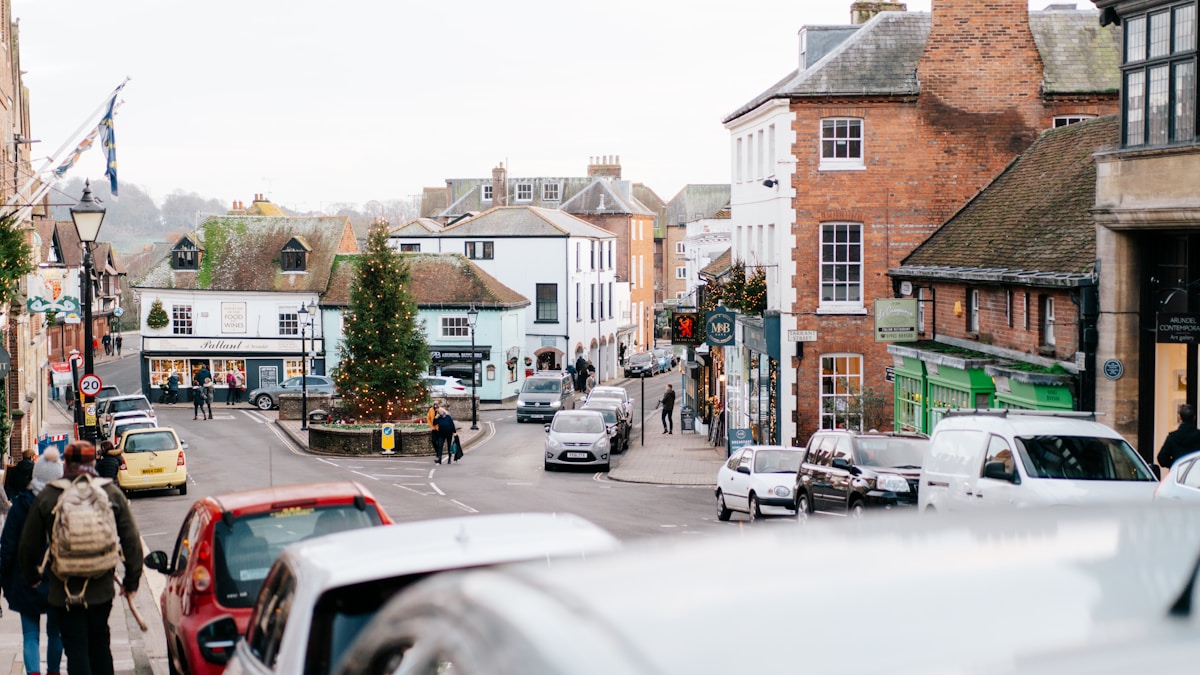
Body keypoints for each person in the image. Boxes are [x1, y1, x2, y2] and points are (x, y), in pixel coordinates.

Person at [20, 440, 143, 675]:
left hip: (63, 590)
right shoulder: (109, 492)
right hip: (101, 587)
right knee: (99, 644)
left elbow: (28, 545)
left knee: (76, 649)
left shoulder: (49, 495)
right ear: (92, 462)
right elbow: (131, 540)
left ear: (66, 463)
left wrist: (32, 576)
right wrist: (131, 581)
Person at [0, 460, 64, 675]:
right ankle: (53, 671)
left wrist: (5, 577)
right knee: (55, 633)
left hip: (26, 577)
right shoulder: (64, 504)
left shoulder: (21, 504)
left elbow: (7, 544)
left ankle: (34, 672)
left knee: (30, 635)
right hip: (58, 579)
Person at [1159, 403, 1200, 470]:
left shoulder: (1172, 437)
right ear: (1194, 417)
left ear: (1180, 417)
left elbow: (1162, 459)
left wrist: (1176, 463)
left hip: (1178, 475)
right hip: (1196, 474)